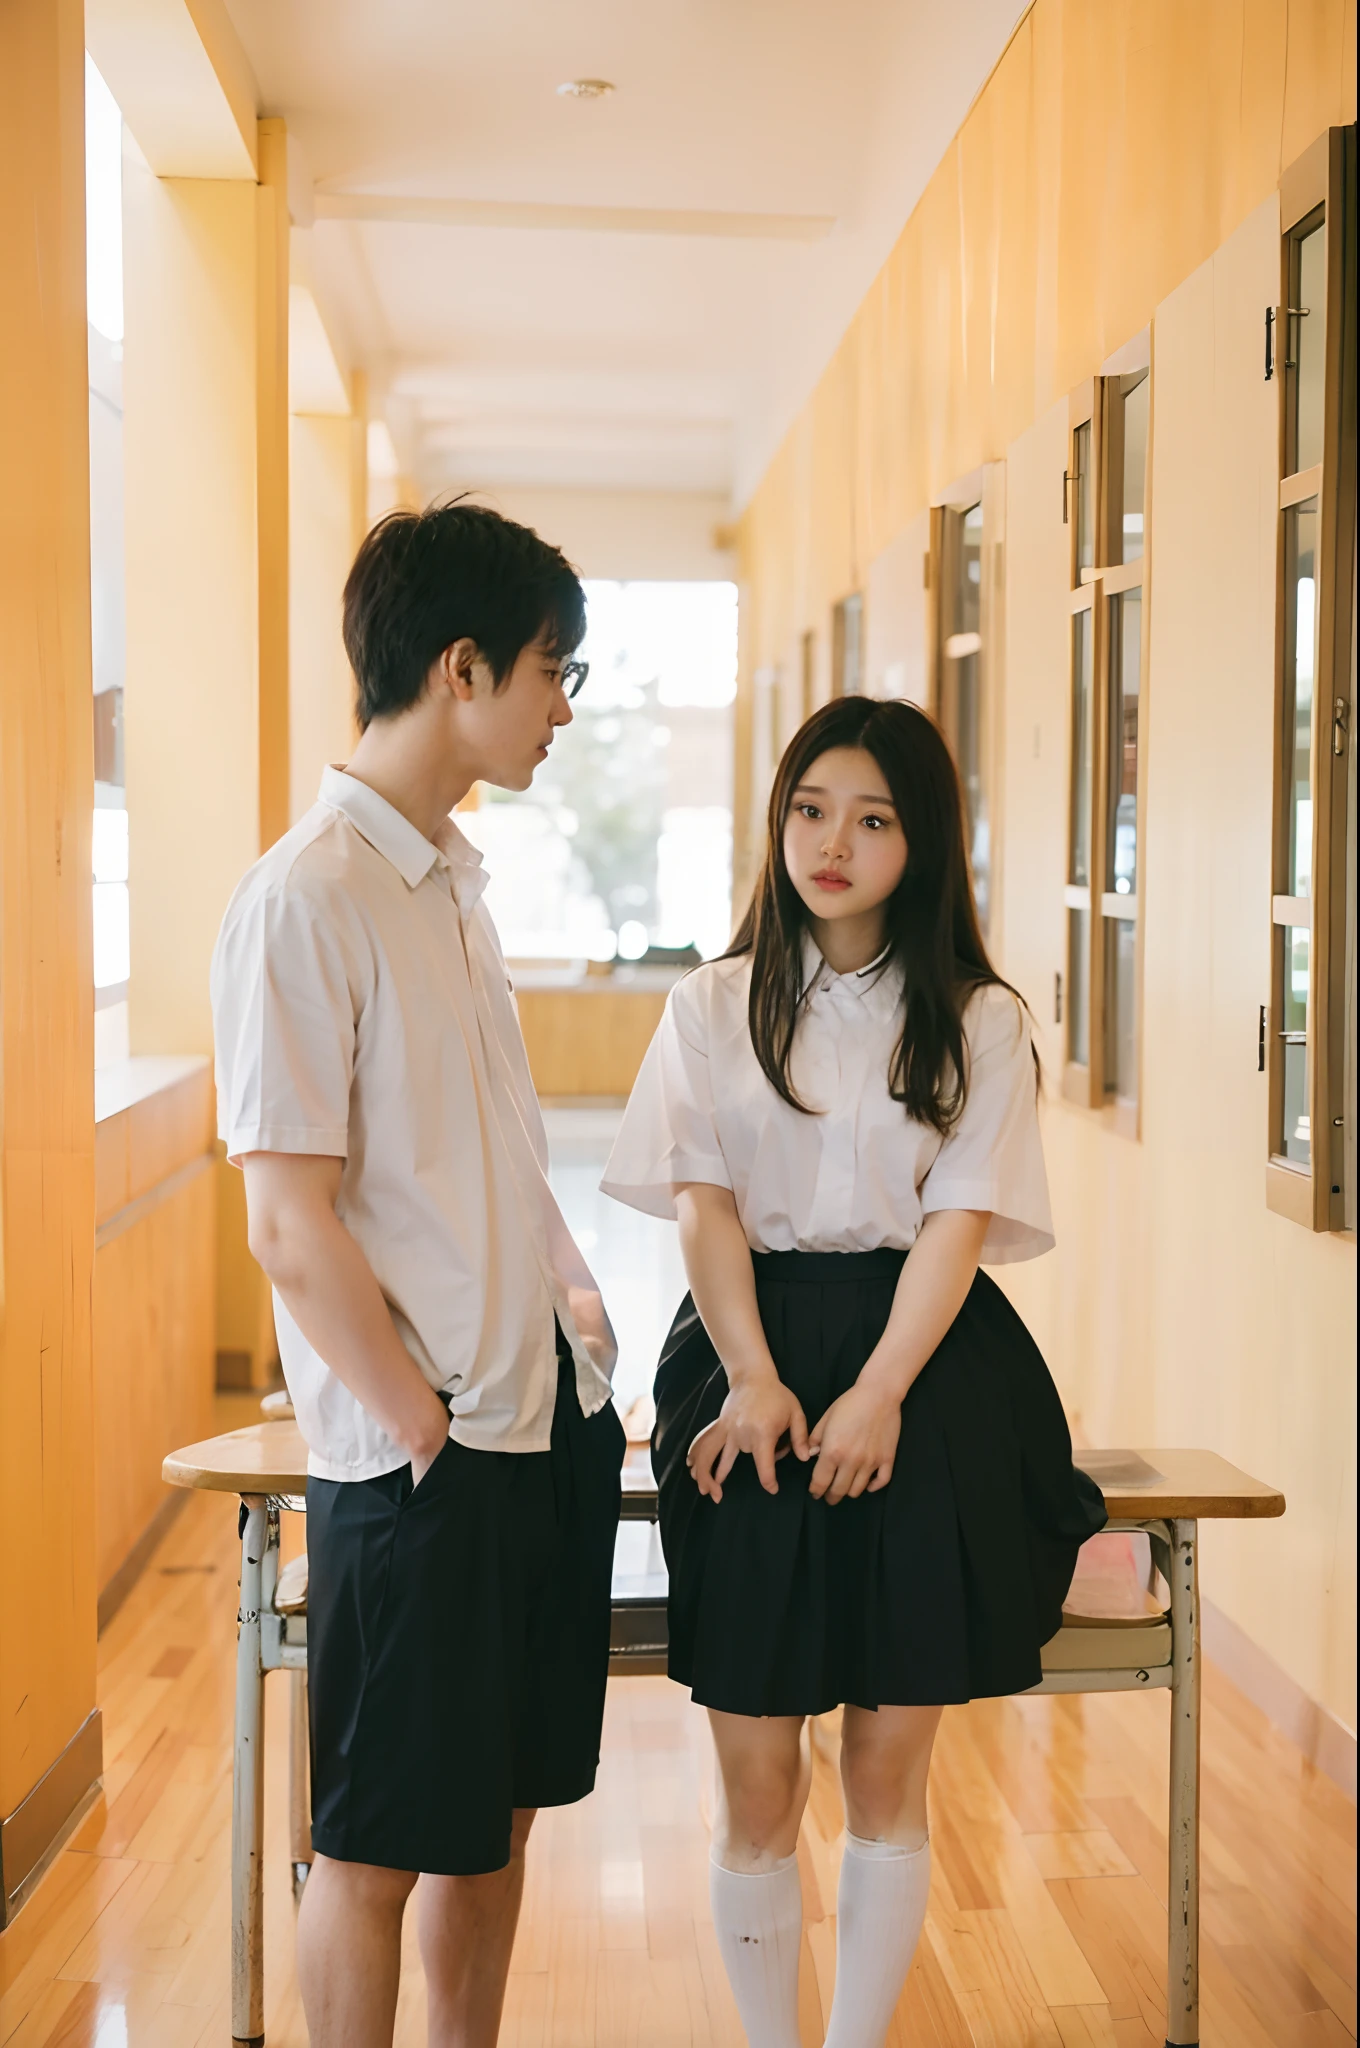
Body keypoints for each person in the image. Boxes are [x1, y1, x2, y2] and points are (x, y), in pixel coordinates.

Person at [601, 694, 1106, 2048]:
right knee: (757, 1768)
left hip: (929, 1362)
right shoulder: (711, 1002)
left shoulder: (979, 1019)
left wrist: (879, 1391)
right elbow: (706, 1209)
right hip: (747, 1341)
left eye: (873, 819)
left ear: (920, 844)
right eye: (810, 808)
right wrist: (754, 1380)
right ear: (779, 823)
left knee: (890, 1760)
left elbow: (957, 1226)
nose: (832, 841)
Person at [211, 502, 626, 2048]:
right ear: (461, 667)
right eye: (548, 670)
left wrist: (579, 1306)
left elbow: (501, 1158)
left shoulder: (453, 881)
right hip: (420, 1459)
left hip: (536, 1419)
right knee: (378, 1838)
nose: (562, 708)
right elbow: (288, 1224)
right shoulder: (304, 897)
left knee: (502, 1816)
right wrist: (423, 1424)